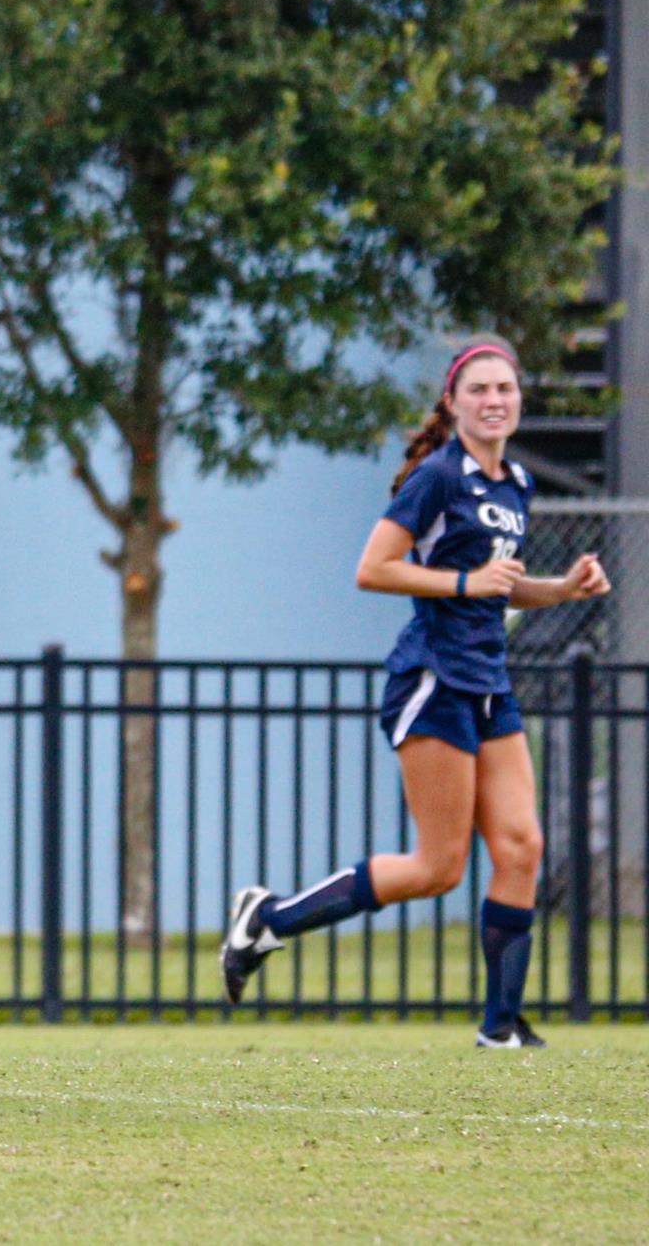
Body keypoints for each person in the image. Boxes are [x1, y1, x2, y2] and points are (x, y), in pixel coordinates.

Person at [221, 337, 609, 1046]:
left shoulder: (515, 484)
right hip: (433, 678)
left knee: (521, 846)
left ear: (520, 399)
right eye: (480, 390)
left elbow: (502, 581)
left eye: (505, 389)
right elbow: (374, 568)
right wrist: (464, 583)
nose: (495, 400)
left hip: (489, 677)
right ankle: (268, 920)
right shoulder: (437, 476)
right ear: (453, 403)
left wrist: (560, 588)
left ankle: (501, 1028)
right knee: (438, 866)